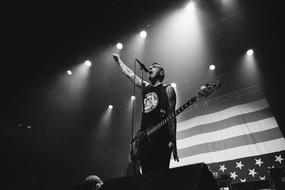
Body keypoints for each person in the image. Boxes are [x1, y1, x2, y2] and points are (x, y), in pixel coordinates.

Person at [112, 53, 179, 174]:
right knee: (147, 175)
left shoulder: (168, 89)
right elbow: (131, 74)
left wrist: (173, 140)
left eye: (154, 66)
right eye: (150, 67)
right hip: (144, 139)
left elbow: (172, 117)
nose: (151, 67)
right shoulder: (146, 87)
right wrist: (119, 61)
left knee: (160, 174)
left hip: (161, 138)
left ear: (161, 73)